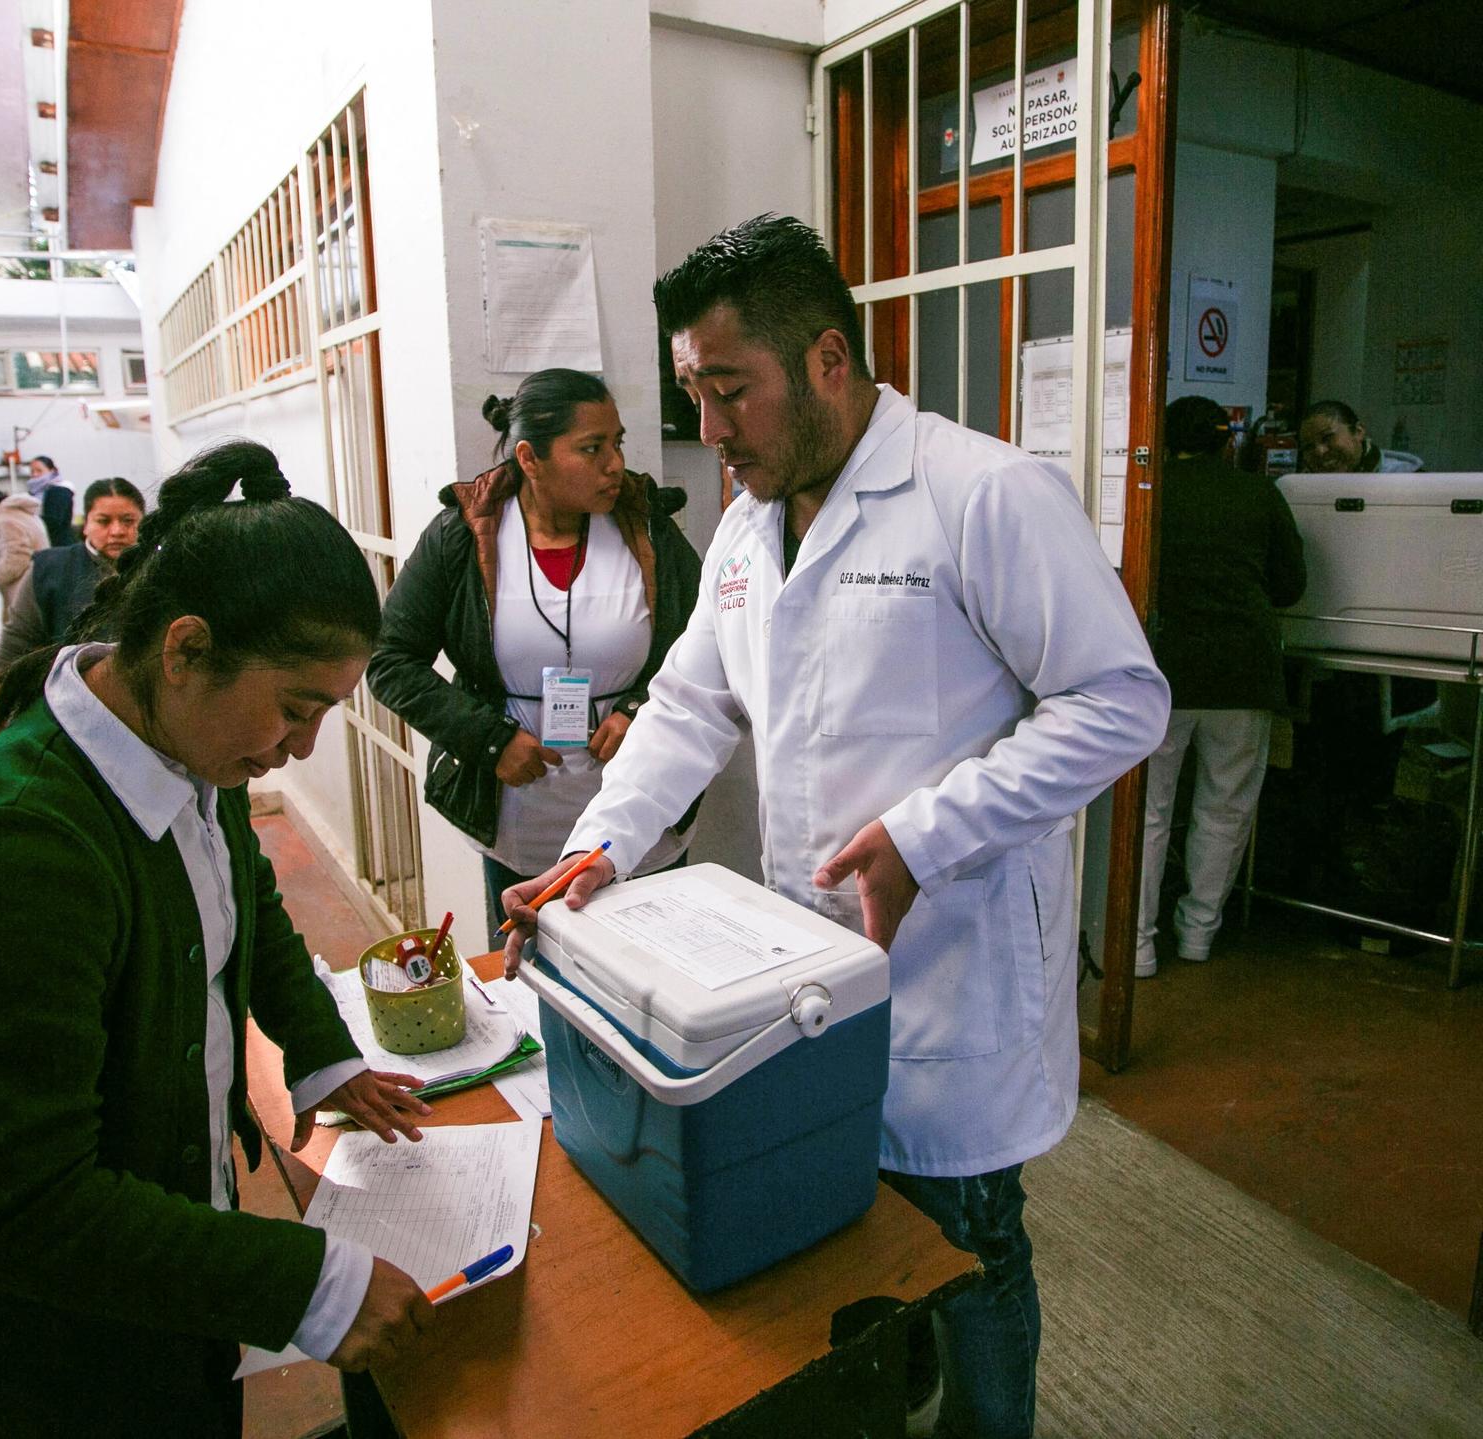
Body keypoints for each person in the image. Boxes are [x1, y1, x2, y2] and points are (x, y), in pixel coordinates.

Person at [498, 215, 1170, 1439]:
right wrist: (600, 846)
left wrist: (924, 832)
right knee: (834, 1217)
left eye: (727, 390)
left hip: (950, 969)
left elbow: (1122, 702)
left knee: (967, 1238)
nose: (706, 430)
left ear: (824, 360)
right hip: (799, 971)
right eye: (692, 392)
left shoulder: (986, 493)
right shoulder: (754, 524)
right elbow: (693, 702)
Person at [0, 441, 436, 1437]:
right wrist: (312, 1279)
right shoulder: (10, 843)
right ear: (185, 648)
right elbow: (25, 1205)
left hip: (164, 1245)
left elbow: (247, 904)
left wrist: (324, 1056)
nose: (299, 747)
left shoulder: (186, 746)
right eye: (295, 708)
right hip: (57, 1326)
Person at [366, 368, 701, 944]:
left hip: (641, 809)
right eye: (591, 448)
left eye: (617, 444)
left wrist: (638, 710)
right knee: (538, 972)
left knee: (655, 971)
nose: (614, 464)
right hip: (518, 813)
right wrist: (488, 740)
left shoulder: (647, 532)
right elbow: (391, 660)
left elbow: (701, 642)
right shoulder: (462, 539)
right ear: (530, 458)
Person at [1137, 397, 1306, 977]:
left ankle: (1135, 945)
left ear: (1160, 441)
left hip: (1160, 674)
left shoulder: (1147, 495)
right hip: (1243, 673)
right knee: (1224, 809)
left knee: (1148, 813)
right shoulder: (1260, 494)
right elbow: (1290, 586)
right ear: (1227, 441)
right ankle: (1198, 937)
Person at [0, 477, 146, 673]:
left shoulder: (163, 568)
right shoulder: (49, 570)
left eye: (128, 521)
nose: (116, 531)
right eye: (103, 521)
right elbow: (17, 641)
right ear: (85, 525)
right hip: (66, 693)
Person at [1297, 399, 1423, 475]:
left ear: (1358, 431)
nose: (1319, 451)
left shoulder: (1405, 479)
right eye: (1308, 446)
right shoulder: (1301, 486)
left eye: (1327, 438)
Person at [0, 486, 52, 608]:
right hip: (37, 582)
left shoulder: (6, 521)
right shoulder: (18, 513)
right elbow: (5, 548)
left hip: (25, 590)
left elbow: (16, 561)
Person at [27, 454, 77, 546]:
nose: (35, 474)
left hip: (59, 545)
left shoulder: (59, 490)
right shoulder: (34, 492)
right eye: (32, 471)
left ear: (52, 471)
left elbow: (54, 521)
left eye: (39, 470)